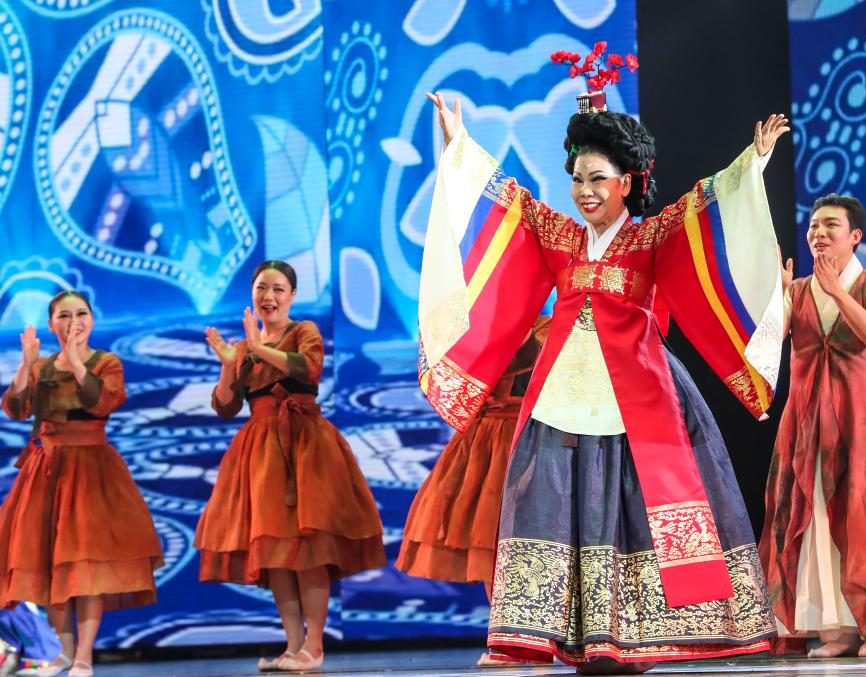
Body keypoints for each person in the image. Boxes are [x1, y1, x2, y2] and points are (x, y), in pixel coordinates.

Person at [417, 82, 790, 673]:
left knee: (630, 505)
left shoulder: (649, 235)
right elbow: (507, 200)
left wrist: (754, 163)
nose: (584, 191)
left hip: (640, 389)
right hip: (564, 388)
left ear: (627, 183)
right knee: (550, 498)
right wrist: (459, 145)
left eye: (597, 178)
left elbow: (705, 205)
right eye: (577, 179)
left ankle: (631, 636)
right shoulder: (561, 238)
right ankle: (539, 634)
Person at [194, 260, 386, 673]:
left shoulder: (304, 331)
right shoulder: (244, 348)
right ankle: (294, 645)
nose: (269, 296)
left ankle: (314, 647)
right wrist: (229, 364)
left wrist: (258, 348)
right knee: (275, 552)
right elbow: (225, 406)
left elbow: (308, 368)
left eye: (278, 289)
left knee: (309, 551)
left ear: (292, 295)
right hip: (261, 452)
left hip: (304, 445)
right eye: (262, 288)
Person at [759, 194, 866, 657]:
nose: (818, 233)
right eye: (814, 225)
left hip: (863, 424)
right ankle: (836, 629)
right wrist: (774, 297)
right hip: (807, 423)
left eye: (830, 225)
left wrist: (836, 291)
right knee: (812, 518)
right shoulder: (797, 291)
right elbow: (766, 351)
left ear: (855, 235)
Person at [0, 291, 164, 677]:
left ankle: (84, 657)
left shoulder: (106, 362)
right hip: (46, 470)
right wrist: (26, 366)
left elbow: (101, 401)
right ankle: (64, 652)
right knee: (47, 562)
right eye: (64, 315)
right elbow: (17, 408)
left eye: (81, 313)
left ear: (92, 320)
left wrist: (75, 361)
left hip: (91, 469)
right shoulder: (41, 366)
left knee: (87, 567)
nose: (73, 321)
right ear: (51, 323)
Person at [396, 316, 551, 667]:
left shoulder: (546, 327)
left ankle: (532, 638)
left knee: (527, 541)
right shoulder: (475, 328)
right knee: (487, 539)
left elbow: (535, 359)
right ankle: (510, 638)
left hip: (527, 438)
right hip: (484, 442)